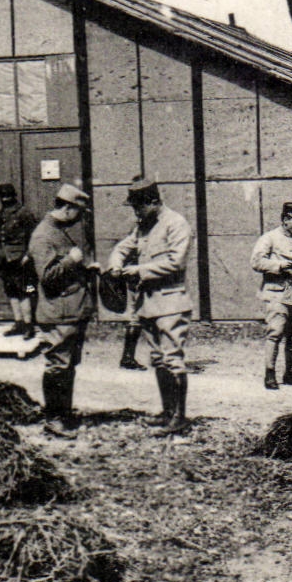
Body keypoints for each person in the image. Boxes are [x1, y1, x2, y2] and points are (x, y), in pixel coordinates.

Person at [107, 176, 194, 436]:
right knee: (158, 360)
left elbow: (175, 262)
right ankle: (167, 412)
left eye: (139, 207)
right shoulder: (143, 227)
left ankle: (179, 417)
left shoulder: (176, 224)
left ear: (154, 202)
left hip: (170, 302)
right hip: (148, 304)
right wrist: (115, 263)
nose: (136, 212)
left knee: (173, 360)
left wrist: (138, 270)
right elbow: (124, 247)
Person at [29, 183, 97, 439]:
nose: (79, 218)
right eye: (78, 212)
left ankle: (64, 412)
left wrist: (85, 269)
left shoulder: (58, 231)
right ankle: (54, 419)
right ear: (68, 208)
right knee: (58, 365)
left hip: (70, 312)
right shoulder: (43, 235)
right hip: (58, 313)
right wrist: (72, 261)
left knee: (67, 365)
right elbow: (47, 277)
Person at [250, 201, 292, 390]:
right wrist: (279, 266)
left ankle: (290, 372)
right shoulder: (269, 238)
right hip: (277, 292)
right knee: (275, 332)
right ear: (285, 219)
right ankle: (270, 373)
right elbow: (256, 261)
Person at [0, 183, 38, 339]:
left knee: (24, 291)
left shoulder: (24, 213)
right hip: (4, 259)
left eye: (8, 196)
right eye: (3, 196)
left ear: (14, 195)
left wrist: (27, 255)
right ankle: (18, 323)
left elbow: (34, 236)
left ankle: (28, 325)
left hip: (20, 259)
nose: (5, 199)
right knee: (11, 290)